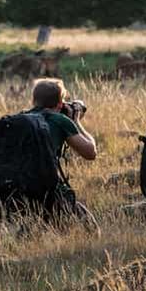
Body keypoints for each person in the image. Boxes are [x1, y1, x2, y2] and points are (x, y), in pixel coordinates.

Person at [27, 78, 98, 223]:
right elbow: (90, 152)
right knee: (90, 226)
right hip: (47, 191)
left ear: (34, 101)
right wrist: (76, 121)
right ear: (60, 104)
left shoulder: (21, 119)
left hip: (14, 189)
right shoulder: (59, 120)